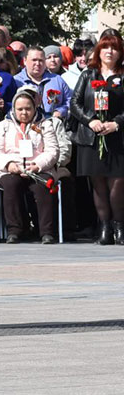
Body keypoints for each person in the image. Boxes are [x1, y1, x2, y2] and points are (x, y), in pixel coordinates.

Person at [0, 85, 69, 243]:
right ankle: (15, 230)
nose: (24, 113)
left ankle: (46, 231)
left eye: (28, 109)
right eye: (20, 109)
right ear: (14, 109)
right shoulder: (4, 125)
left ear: (34, 108)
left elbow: (52, 151)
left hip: (39, 168)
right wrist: (9, 164)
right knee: (11, 184)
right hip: (12, 168)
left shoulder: (45, 124)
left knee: (43, 186)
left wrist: (37, 165)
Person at [70, 32, 124, 243]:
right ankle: (104, 226)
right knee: (98, 184)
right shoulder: (89, 74)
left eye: (115, 48)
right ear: (99, 50)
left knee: (117, 184)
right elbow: (75, 103)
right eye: (106, 47)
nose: (110, 52)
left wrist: (116, 123)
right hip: (91, 138)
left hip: (117, 138)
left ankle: (119, 225)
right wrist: (90, 120)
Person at [13, 46, 70, 124]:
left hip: (52, 124)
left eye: (41, 60)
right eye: (34, 60)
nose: (38, 64)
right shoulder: (16, 81)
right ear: (25, 61)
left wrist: (60, 111)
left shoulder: (57, 80)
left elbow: (70, 100)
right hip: (25, 126)